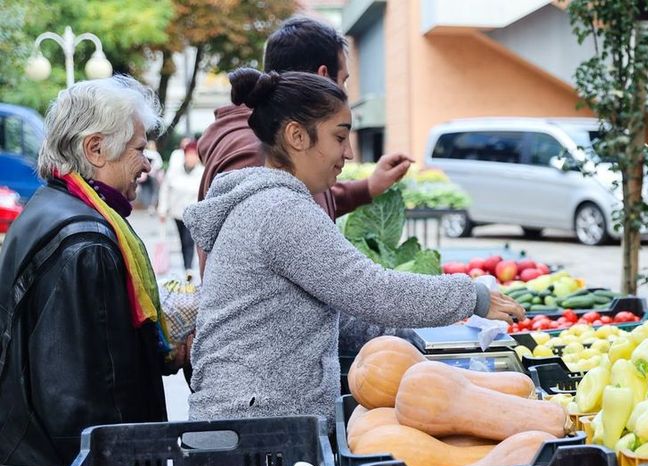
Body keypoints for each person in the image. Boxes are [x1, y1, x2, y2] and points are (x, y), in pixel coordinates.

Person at [184, 68, 525, 423]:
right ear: (297, 136)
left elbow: (339, 306)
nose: (348, 152)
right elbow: (374, 290)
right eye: (339, 137)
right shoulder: (281, 212)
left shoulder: (273, 204)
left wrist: (407, 342)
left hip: (254, 420)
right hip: (255, 430)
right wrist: (472, 296)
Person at [0, 76, 177, 466]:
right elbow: (82, 403)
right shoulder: (84, 239)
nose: (147, 163)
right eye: (138, 149)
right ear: (95, 150)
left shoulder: (51, 210)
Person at [196, 15, 416, 351]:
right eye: (343, 80)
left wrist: (368, 187)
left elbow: (307, 202)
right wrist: (471, 296)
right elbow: (365, 286)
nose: (348, 152)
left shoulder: (272, 149)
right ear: (324, 77)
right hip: (263, 368)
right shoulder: (256, 154)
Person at [158, 138, 204, 271]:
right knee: (183, 241)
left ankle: (189, 268)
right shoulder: (174, 171)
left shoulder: (202, 172)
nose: (191, 158)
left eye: (194, 155)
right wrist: (162, 209)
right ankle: (186, 266)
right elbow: (165, 190)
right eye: (189, 154)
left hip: (193, 215)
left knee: (189, 241)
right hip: (177, 213)